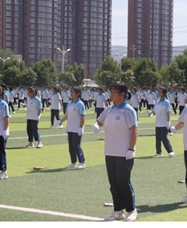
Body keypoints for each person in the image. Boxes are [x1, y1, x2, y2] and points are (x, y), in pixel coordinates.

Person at [93, 82, 139, 222]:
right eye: (111, 91)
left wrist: (131, 149)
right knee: (113, 182)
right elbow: (99, 121)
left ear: (122, 94)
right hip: (110, 151)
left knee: (123, 181)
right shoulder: (109, 109)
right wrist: (96, 125)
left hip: (124, 153)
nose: (111, 94)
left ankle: (131, 209)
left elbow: (134, 130)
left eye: (114, 92)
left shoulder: (128, 110)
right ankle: (118, 210)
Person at [56, 86, 87, 169]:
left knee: (76, 145)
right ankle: (73, 162)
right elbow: (67, 115)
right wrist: (60, 121)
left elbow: (83, 116)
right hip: (70, 128)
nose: (71, 93)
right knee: (70, 146)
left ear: (77, 94)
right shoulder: (70, 103)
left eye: (73, 92)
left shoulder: (80, 104)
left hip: (77, 128)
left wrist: (81, 127)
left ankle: (82, 162)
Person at [153, 87, 175, 157]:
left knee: (164, 137)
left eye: (160, 92)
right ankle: (159, 152)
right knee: (158, 138)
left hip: (164, 123)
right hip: (158, 123)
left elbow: (168, 113)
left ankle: (170, 151)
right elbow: (154, 111)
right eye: (159, 92)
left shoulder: (166, 102)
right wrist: (151, 112)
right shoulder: (158, 102)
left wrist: (168, 123)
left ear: (164, 93)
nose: (159, 93)